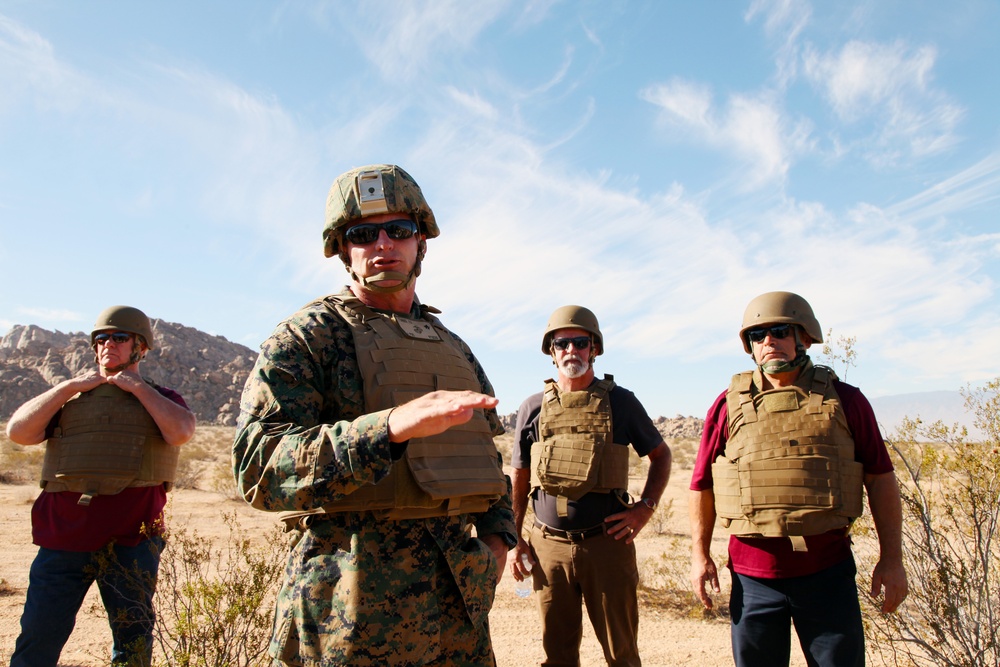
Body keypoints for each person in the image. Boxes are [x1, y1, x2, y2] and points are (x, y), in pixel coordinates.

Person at [232, 163, 517, 667]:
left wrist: (497, 543)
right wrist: (384, 430)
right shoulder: (308, 338)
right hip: (348, 613)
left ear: (421, 240)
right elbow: (258, 467)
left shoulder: (455, 348)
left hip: (458, 612)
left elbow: (486, 458)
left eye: (399, 230)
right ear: (344, 249)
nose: (383, 244)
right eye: (363, 234)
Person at [689, 291, 909, 667]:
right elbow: (702, 484)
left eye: (779, 330)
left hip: (826, 573)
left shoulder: (846, 400)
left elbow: (880, 479)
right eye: (758, 336)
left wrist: (892, 558)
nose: (769, 341)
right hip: (752, 578)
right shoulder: (727, 405)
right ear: (750, 347)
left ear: (804, 338)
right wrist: (699, 554)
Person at [6, 305, 196, 667]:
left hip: (132, 541)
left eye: (119, 337)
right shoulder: (70, 397)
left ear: (141, 347)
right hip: (63, 539)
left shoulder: (162, 397)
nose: (108, 344)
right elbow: (19, 432)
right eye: (101, 338)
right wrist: (69, 386)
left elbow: (181, 431)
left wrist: (137, 388)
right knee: (37, 639)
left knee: (132, 641)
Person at [509, 305, 672, 667]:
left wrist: (644, 509)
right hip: (548, 549)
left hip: (606, 546)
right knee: (558, 654)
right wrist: (515, 538)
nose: (571, 351)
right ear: (551, 353)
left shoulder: (621, 402)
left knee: (621, 654)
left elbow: (661, 456)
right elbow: (519, 476)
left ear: (594, 349)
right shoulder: (532, 408)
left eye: (580, 343)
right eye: (562, 344)